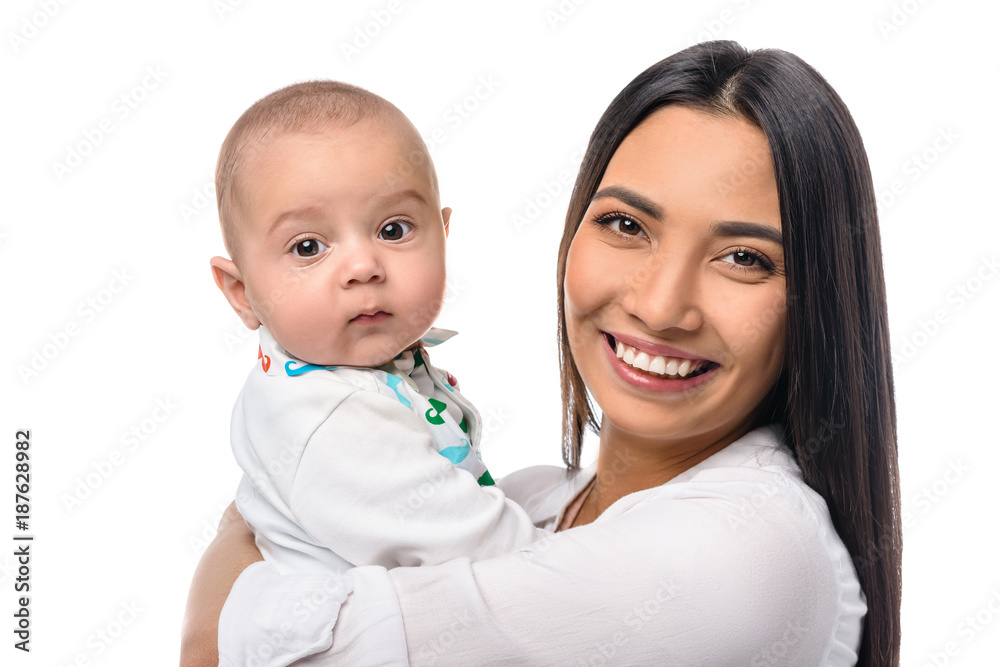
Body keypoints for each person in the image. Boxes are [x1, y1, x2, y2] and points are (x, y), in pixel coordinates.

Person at [183, 41, 901, 666]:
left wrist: (226, 564)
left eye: (744, 257)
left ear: (817, 297)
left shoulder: (747, 553)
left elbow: (226, 649)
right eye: (625, 223)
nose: (660, 306)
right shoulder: (528, 500)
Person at [208, 81, 548, 576]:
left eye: (394, 230)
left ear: (443, 235)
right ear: (243, 294)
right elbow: (508, 561)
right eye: (308, 247)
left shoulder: (347, 366)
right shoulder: (333, 421)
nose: (363, 266)